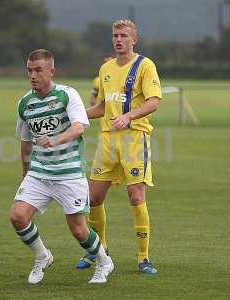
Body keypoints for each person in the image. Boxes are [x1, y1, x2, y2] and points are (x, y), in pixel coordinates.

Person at [10, 49, 114, 285]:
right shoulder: (25, 104)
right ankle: (42, 256)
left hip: (68, 173)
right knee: (17, 216)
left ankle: (103, 261)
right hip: (39, 173)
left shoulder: (68, 95)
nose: (33, 75)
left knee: (78, 230)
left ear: (51, 71)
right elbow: (26, 144)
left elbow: (79, 127)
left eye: (38, 70)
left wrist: (54, 140)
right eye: (29, 70)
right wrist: (25, 175)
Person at [76, 19, 161, 275]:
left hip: (135, 139)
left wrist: (129, 116)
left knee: (136, 196)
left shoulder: (145, 66)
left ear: (134, 39)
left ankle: (143, 258)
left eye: (123, 35)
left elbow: (154, 102)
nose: (118, 39)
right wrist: (75, 116)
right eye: (115, 35)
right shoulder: (106, 69)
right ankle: (99, 252)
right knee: (94, 198)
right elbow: (102, 106)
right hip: (108, 141)